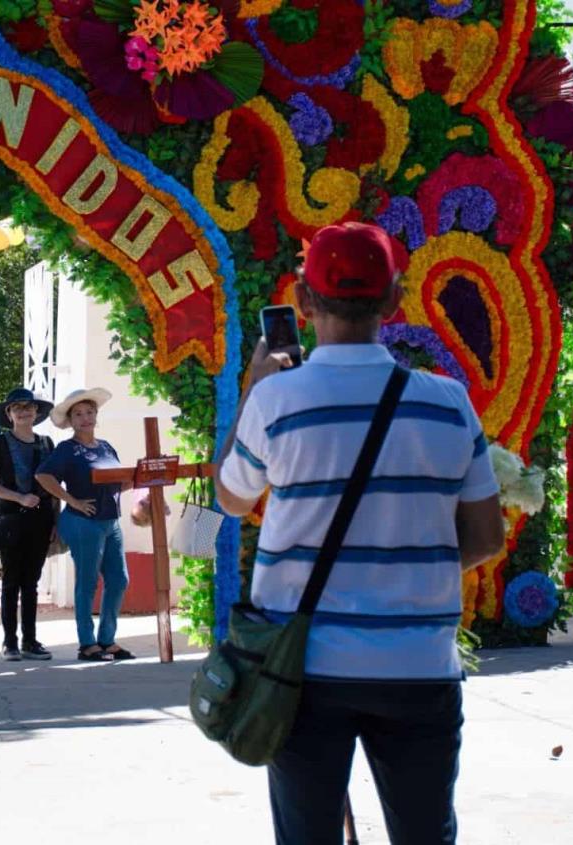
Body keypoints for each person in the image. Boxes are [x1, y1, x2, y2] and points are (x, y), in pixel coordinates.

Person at [214, 222, 505, 845]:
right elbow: (485, 537)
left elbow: (231, 498)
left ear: (303, 302)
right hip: (419, 666)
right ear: (395, 301)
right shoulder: (448, 402)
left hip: (301, 671)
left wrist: (254, 389)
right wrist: (401, 574)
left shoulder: (277, 401)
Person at [36, 388, 134, 661]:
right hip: (82, 522)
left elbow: (119, 481)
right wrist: (73, 501)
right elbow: (43, 476)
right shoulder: (67, 449)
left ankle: (108, 640)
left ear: (96, 415)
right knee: (87, 582)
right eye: (78, 414)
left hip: (110, 521)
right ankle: (87, 643)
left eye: (89, 412)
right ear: (70, 420)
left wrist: (139, 478)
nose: (85, 418)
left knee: (119, 580)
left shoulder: (106, 446)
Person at [0, 387, 58, 661]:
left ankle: (31, 641)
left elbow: (55, 486)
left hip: (41, 521)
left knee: (32, 583)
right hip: (11, 520)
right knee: (11, 581)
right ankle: (10, 641)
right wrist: (19, 497)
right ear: (9, 414)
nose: (24, 411)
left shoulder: (47, 444)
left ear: (37, 412)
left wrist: (55, 522)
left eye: (29, 407)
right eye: (17, 408)